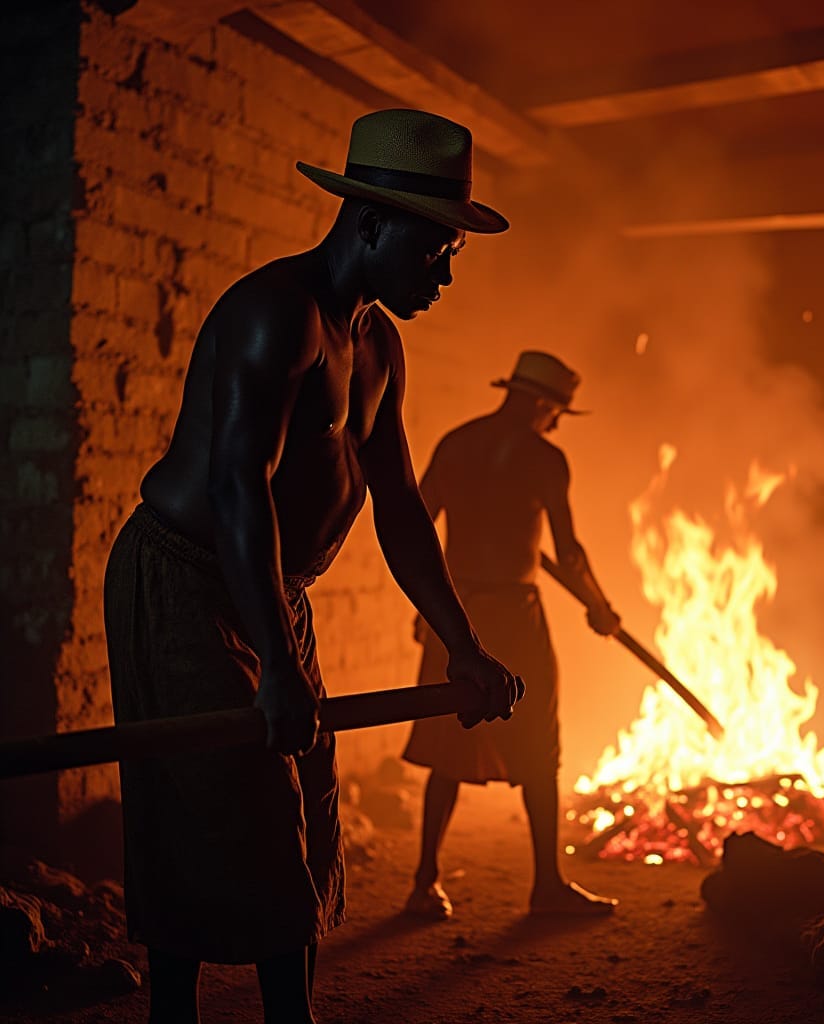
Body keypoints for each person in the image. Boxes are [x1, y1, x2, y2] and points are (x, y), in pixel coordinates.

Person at [102, 108, 523, 1024]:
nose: (447, 272)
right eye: (436, 248)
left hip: (270, 588)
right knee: (221, 797)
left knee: (301, 802)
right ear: (371, 223)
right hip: (186, 580)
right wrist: (280, 668)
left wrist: (465, 644)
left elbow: (401, 506)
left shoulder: (377, 344)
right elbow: (236, 495)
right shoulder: (274, 317)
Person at [401, 351, 621, 920]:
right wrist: (600, 607)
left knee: (450, 743)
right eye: (558, 414)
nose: (555, 424)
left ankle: (425, 882)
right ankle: (546, 885)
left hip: (457, 614)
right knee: (539, 749)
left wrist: (430, 608)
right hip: (515, 618)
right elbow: (568, 553)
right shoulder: (546, 458)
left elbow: (414, 526)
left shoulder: (457, 443)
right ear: (546, 405)